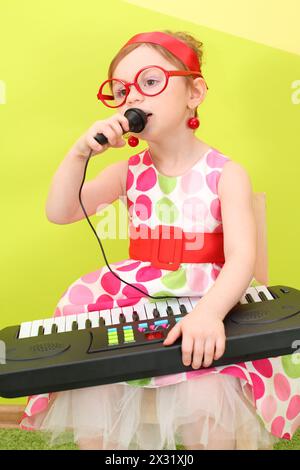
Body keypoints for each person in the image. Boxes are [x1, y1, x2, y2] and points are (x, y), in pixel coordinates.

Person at [19, 30, 299, 450]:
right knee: (94, 385)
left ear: (194, 93)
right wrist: (79, 154)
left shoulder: (226, 172)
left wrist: (209, 314)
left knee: (204, 397)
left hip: (206, 297)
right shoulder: (127, 171)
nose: (134, 97)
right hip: (138, 298)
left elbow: (242, 257)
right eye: (121, 90)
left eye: (150, 82)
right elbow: (61, 212)